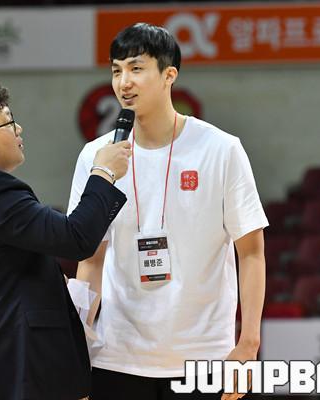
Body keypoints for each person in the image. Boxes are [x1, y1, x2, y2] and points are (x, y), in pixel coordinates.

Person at [67, 23, 268, 400]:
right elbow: (91, 259)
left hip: (203, 355)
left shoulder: (221, 149)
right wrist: (77, 349)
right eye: (116, 71)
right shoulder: (96, 156)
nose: (124, 82)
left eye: (136, 68)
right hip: (116, 355)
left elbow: (252, 252)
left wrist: (249, 343)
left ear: (169, 75)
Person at [0, 73, 131, 400]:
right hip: (3, 373)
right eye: (8, 122)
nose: (18, 129)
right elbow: (76, 238)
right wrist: (103, 172)